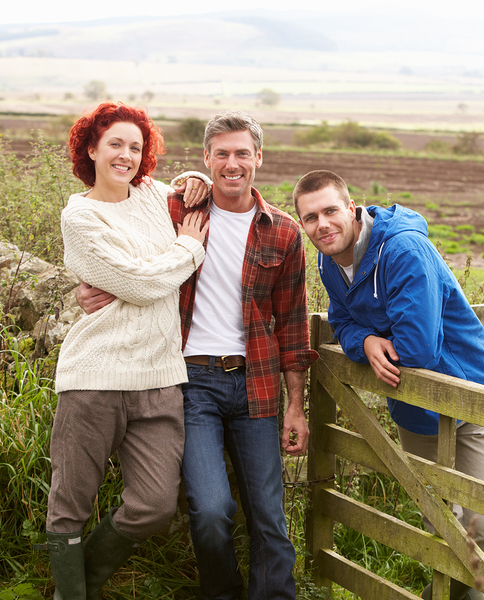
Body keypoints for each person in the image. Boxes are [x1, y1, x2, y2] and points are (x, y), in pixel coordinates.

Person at [77, 110, 318, 600]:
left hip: (257, 384)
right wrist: (87, 286)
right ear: (206, 158)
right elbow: (122, 249)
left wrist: (296, 405)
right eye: (222, 154)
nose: (233, 164)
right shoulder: (174, 213)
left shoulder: (285, 232)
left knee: (269, 513)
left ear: (259, 159)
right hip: (191, 382)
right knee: (210, 511)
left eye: (242, 154)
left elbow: (293, 327)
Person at [292, 170, 484, 600]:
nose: (323, 225)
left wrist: (372, 338)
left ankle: (453, 594)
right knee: (440, 520)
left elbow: (418, 349)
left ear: (352, 210)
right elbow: (340, 320)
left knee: (483, 526)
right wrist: (366, 340)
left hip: (471, 393)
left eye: (331, 211)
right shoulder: (328, 260)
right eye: (311, 218)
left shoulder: (403, 249)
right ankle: (454, 591)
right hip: (413, 406)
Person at [43, 102, 212, 599]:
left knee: (155, 504)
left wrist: (192, 177)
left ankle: (83, 579)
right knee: (70, 500)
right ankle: (71, 595)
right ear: (91, 149)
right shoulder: (81, 216)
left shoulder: (152, 195)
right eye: (115, 144)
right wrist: (187, 250)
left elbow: (188, 191)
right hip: (94, 377)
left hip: (159, 378)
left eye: (136, 147)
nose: (126, 155)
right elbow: (139, 284)